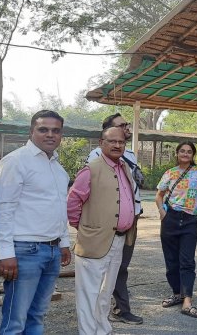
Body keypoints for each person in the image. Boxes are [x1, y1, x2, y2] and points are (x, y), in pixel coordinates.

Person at [0, 110, 72, 334]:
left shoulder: (57, 168)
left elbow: (59, 207)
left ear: (61, 134)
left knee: (37, 315)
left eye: (55, 130)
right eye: (43, 129)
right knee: (15, 320)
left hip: (52, 249)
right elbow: (3, 210)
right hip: (25, 250)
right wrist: (6, 253)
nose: (50, 135)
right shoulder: (15, 162)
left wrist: (64, 241)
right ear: (31, 132)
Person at [68, 127, 137, 335]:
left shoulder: (123, 167)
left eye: (121, 142)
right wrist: (86, 228)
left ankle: (102, 330)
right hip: (94, 241)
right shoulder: (91, 169)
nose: (117, 145)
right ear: (101, 143)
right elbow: (72, 202)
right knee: (89, 293)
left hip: (118, 239)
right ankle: (88, 332)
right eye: (112, 141)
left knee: (105, 291)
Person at [85, 113, 144, 325]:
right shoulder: (95, 156)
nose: (126, 128)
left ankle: (118, 309)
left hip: (131, 220)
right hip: (107, 223)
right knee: (101, 268)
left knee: (121, 266)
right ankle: (98, 315)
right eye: (121, 126)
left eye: (126, 127)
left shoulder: (130, 154)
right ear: (107, 132)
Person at [155, 141, 197, 318]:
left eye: (189, 152)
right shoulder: (170, 173)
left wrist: (196, 215)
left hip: (189, 221)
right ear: (177, 153)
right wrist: (163, 213)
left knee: (186, 261)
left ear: (193, 155)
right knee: (171, 261)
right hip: (170, 219)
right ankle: (177, 293)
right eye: (182, 151)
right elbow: (159, 195)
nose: (185, 154)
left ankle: (187, 301)